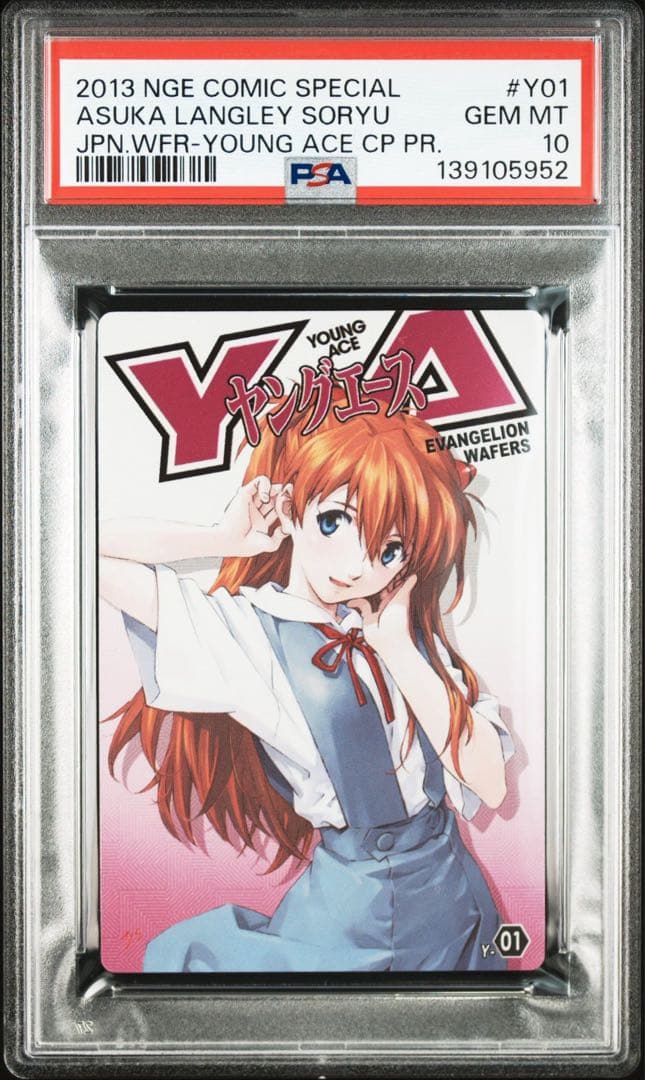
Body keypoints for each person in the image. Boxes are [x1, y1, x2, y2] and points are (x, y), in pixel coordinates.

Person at [100, 396, 514, 972]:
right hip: (351, 911)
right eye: (333, 522)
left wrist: (398, 649)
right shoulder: (246, 634)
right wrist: (223, 538)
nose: (358, 564)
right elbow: (85, 548)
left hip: (455, 899)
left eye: (390, 548)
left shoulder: (399, 630)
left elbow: (490, 784)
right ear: (293, 507)